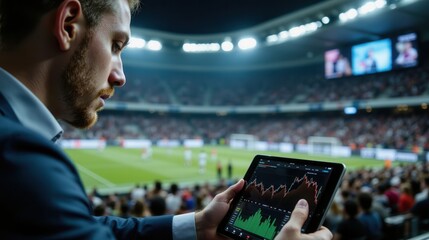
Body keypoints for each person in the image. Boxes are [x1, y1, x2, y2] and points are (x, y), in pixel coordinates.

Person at [0, 1, 332, 239]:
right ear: (68, 24)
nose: (120, 76)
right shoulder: (21, 159)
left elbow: (88, 229)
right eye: (116, 45)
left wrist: (198, 226)